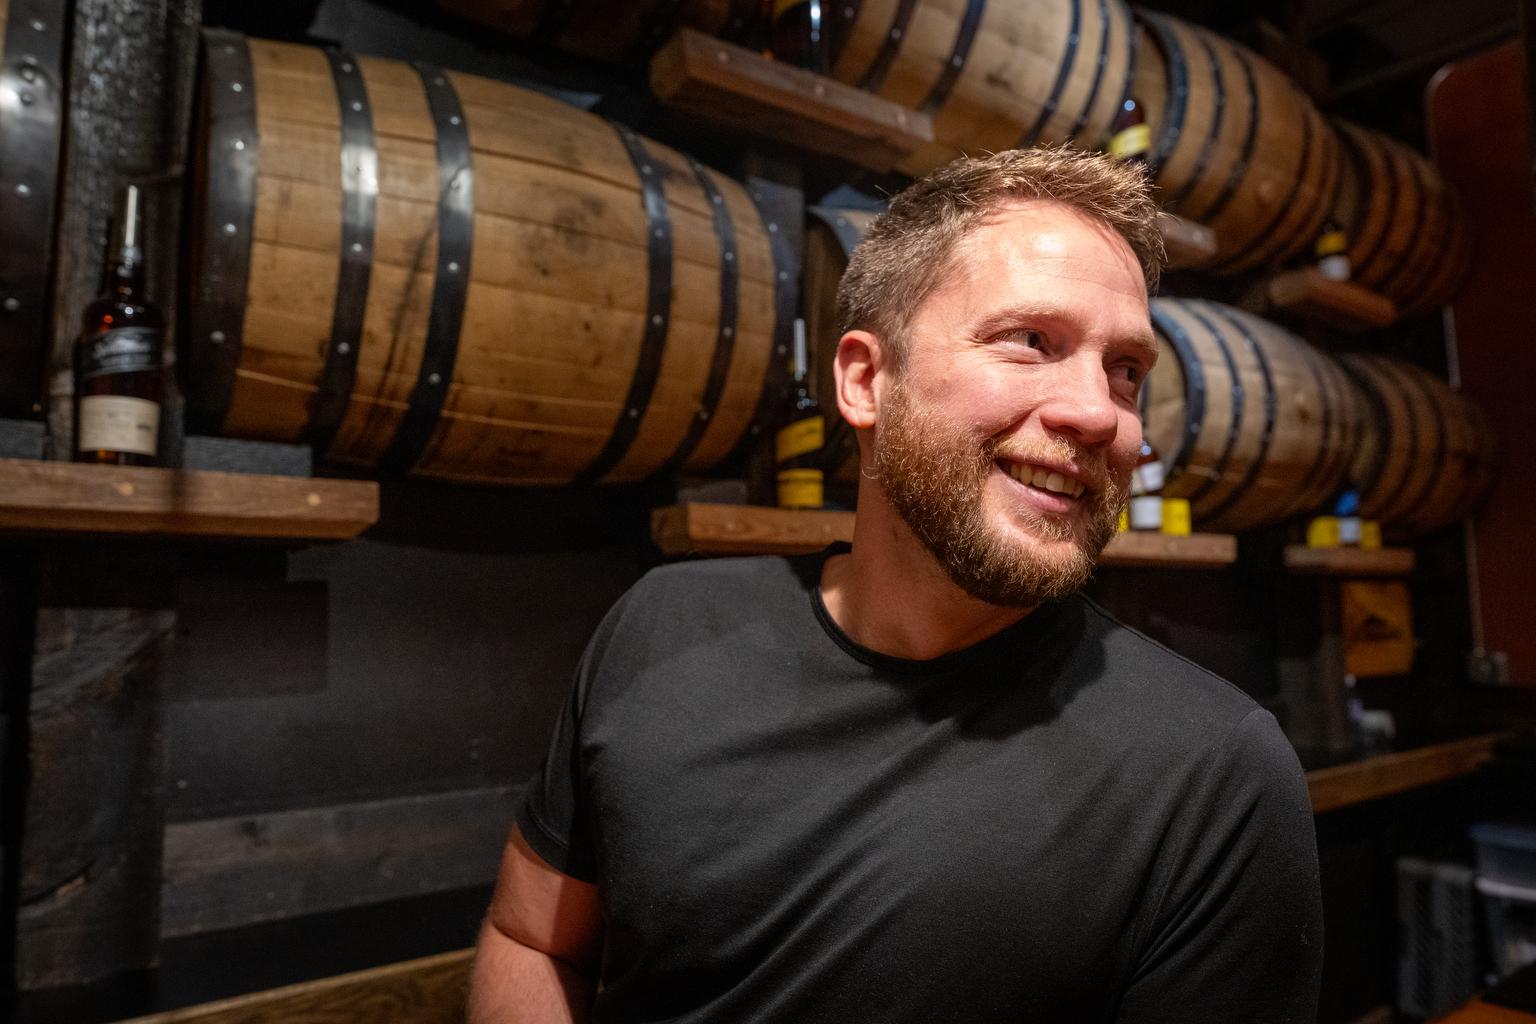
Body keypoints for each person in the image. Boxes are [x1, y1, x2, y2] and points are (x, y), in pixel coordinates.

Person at [468, 147, 1324, 1023]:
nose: (1101, 413)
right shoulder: (663, 624)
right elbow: (533, 937)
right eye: (1032, 342)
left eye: (1125, 370)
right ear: (866, 381)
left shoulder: (1214, 773)